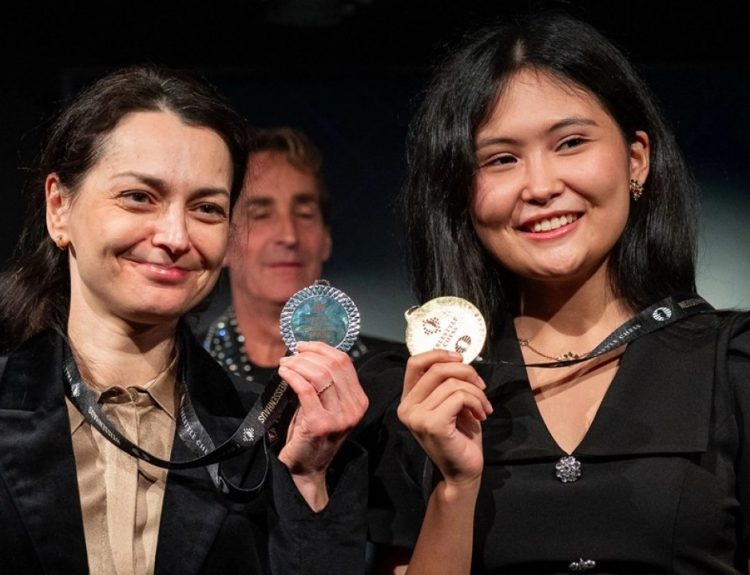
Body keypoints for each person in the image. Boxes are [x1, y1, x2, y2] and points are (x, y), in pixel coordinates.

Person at [363, 11, 750, 574]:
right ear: (461, 192)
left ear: (636, 158)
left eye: (570, 143)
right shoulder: (427, 392)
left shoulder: (734, 369)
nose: (541, 186)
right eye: (501, 159)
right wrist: (455, 488)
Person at [0, 64, 370, 574]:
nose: (175, 236)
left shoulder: (280, 434)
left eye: (207, 209)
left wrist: (306, 482)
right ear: (59, 207)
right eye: (139, 198)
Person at [198, 126, 403, 410]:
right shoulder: (183, 372)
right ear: (223, 242)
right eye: (261, 214)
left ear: (326, 240)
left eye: (304, 214)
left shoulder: (394, 376)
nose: (289, 236)